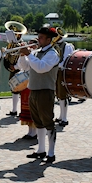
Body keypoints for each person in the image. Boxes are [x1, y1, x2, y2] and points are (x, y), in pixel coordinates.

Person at [18, 27, 60, 163]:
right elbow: (24, 67)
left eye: (41, 37)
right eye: (39, 37)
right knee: (38, 122)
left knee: (48, 122)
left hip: (45, 90)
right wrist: (22, 55)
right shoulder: (36, 52)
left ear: (49, 39)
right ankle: (41, 150)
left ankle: (51, 152)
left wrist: (29, 55)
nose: (38, 40)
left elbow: (42, 68)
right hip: (34, 90)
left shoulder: (52, 54)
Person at [55, 36, 75, 127]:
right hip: (55, 71)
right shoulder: (53, 46)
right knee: (58, 94)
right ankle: (60, 116)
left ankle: (64, 118)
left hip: (62, 72)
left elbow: (66, 60)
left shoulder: (67, 46)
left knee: (63, 95)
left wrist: (53, 64)